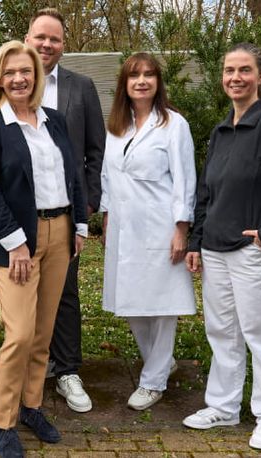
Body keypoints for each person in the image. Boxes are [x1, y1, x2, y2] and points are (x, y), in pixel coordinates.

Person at [182, 42, 261, 451]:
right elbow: (207, 193)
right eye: (228, 71)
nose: (235, 78)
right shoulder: (221, 131)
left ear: (260, 76)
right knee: (222, 332)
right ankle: (223, 407)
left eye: (244, 70)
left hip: (257, 252)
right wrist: (196, 240)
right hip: (216, 251)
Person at [0, 40, 88, 458]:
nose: (19, 78)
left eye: (27, 71)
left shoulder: (53, 120)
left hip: (60, 232)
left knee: (43, 331)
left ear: (37, 75)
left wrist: (80, 224)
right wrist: (16, 243)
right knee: (18, 334)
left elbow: (73, 173)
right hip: (16, 239)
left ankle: (32, 406)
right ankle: (4, 423)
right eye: (10, 71)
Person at [99, 53, 197, 411]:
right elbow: (108, 176)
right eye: (134, 75)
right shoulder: (116, 126)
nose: (142, 81)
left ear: (158, 82)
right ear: (124, 84)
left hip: (160, 226)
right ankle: (161, 361)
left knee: (163, 304)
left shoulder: (174, 125)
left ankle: (153, 380)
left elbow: (185, 181)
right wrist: (107, 216)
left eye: (149, 75)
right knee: (131, 301)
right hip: (124, 228)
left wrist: (181, 229)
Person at [24, 7, 105, 414]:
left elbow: (95, 150)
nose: (46, 45)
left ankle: (67, 370)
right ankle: (26, 366)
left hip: (66, 212)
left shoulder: (81, 87)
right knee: (21, 292)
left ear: (63, 45)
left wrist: (88, 206)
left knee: (66, 291)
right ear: (27, 39)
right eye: (40, 37)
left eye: (54, 39)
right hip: (20, 212)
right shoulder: (10, 82)